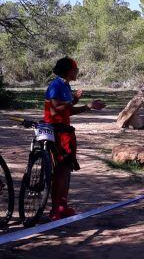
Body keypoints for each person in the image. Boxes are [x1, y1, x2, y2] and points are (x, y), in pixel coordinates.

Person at [44, 57, 105, 220]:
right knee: (60, 170)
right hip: (57, 131)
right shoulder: (56, 86)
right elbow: (56, 111)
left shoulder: (65, 85)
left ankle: (63, 206)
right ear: (68, 71)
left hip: (65, 131)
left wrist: (85, 106)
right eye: (75, 69)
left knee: (66, 170)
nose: (77, 72)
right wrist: (76, 101)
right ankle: (55, 209)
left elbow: (68, 111)